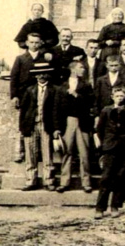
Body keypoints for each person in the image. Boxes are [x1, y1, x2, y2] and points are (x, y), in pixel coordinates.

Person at [10, 32, 53, 163]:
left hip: (41, 93)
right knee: (25, 122)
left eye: (37, 42)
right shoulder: (21, 59)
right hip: (25, 96)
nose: (34, 45)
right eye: (32, 42)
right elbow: (14, 78)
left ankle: (39, 152)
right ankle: (20, 151)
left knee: (42, 121)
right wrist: (15, 95)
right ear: (27, 43)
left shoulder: (45, 57)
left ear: (40, 44)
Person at [18, 63, 60, 191]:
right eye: (39, 73)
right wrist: (22, 127)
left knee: (47, 153)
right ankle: (31, 180)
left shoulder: (54, 90)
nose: (42, 76)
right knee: (30, 153)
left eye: (44, 73)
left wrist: (56, 128)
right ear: (35, 76)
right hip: (31, 125)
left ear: (49, 75)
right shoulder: (29, 90)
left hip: (47, 125)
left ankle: (49, 180)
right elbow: (23, 110)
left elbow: (56, 110)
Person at [95, 86, 125, 219]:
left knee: (120, 177)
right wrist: (104, 145)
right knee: (106, 177)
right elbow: (100, 129)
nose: (120, 98)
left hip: (123, 147)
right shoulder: (106, 110)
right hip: (109, 147)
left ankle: (115, 206)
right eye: (117, 96)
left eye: (122, 96)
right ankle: (100, 208)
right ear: (112, 97)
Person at [55, 61, 94, 193]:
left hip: (83, 121)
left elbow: (91, 102)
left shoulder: (86, 86)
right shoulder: (61, 87)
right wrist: (57, 128)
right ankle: (64, 182)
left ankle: (86, 182)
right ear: (72, 69)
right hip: (68, 121)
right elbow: (57, 109)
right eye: (80, 67)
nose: (83, 70)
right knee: (67, 151)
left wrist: (77, 95)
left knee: (84, 153)